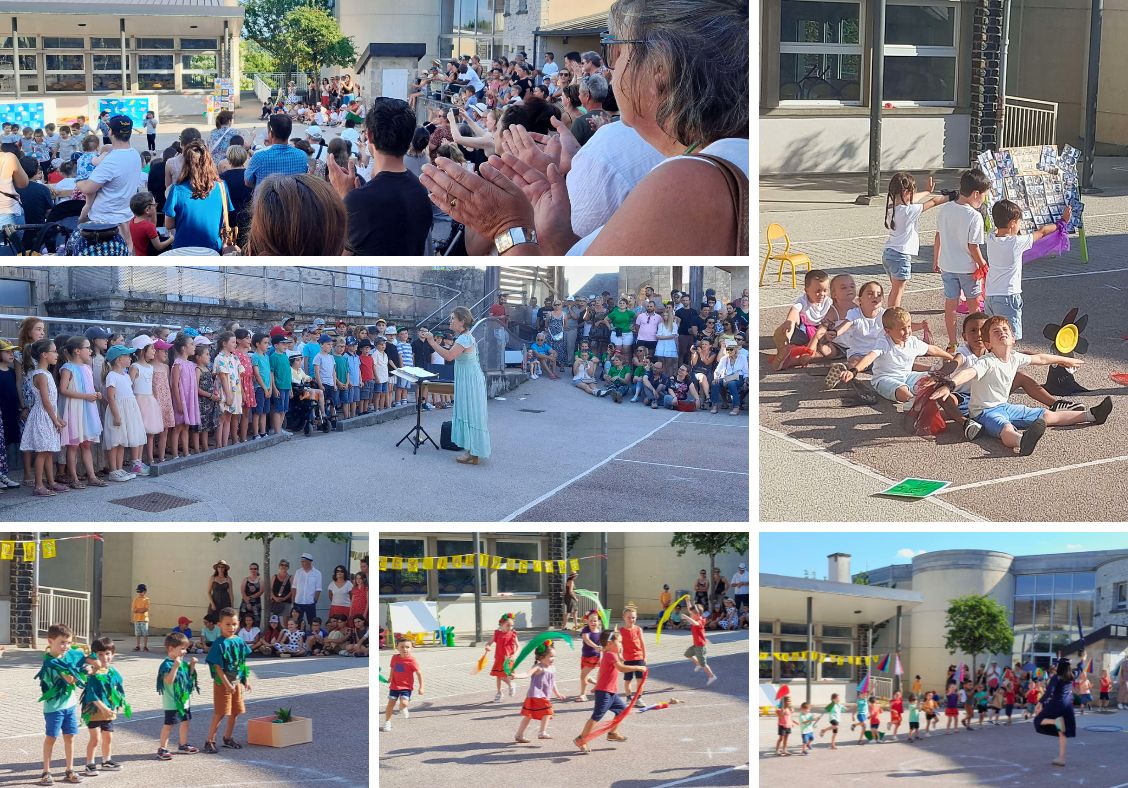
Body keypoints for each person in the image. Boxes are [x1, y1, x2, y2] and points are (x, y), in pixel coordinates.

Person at [420, 0, 747, 256]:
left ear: (660, 68)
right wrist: (560, 233)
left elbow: (554, 310)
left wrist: (508, 225)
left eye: (617, 50)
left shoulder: (687, 178)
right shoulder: (728, 152)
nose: (610, 67)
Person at [929, 316, 1112, 454]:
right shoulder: (986, 361)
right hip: (984, 412)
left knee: (1046, 415)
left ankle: (1092, 415)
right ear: (988, 344)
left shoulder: (1015, 357)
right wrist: (950, 384)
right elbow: (968, 373)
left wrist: (1064, 359)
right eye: (996, 331)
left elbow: (1040, 358)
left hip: (1005, 406)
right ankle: (1021, 441)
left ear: (1013, 338)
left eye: (1005, 330)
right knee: (1006, 428)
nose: (1002, 332)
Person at [328, 97, 432, 256]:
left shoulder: (359, 200)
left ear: (369, 136)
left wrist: (344, 199)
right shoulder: (421, 191)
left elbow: (340, 263)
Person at [985, 200, 1071, 340]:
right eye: (1019, 222)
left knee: (994, 336)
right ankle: (1008, 360)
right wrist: (1062, 222)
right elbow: (1042, 232)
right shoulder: (1016, 242)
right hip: (1008, 296)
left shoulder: (991, 238)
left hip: (990, 295)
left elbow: (996, 228)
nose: (1020, 226)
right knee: (1009, 336)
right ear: (1013, 223)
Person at [418, 307, 491, 464]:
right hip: (469, 379)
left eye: (453, 318)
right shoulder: (464, 337)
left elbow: (449, 356)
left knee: (470, 412)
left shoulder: (464, 338)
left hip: (470, 380)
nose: (450, 321)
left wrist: (431, 341)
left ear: (462, 321)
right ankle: (473, 450)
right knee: (470, 412)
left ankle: (473, 451)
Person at [935, 169, 991, 351]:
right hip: (967, 267)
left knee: (950, 304)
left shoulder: (946, 208)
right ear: (976, 194)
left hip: (947, 264)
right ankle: (977, 340)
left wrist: (936, 259)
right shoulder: (974, 216)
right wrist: (983, 264)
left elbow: (938, 236)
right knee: (974, 306)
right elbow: (972, 246)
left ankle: (952, 342)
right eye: (983, 195)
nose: (983, 199)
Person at [882, 173, 952, 308]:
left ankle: (890, 315)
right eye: (912, 191)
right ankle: (893, 319)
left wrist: (927, 191)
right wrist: (952, 196)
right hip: (901, 256)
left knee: (895, 289)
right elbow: (934, 201)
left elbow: (911, 199)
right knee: (898, 291)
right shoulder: (909, 211)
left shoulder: (892, 207)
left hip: (889, 254)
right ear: (906, 192)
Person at [36, 623, 93, 787]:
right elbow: (70, 679)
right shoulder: (50, 662)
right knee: (51, 738)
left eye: (68, 642)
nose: (66, 646)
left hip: (70, 705)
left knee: (70, 737)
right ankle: (46, 772)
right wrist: (83, 670)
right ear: (50, 641)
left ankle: (69, 769)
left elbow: (81, 660)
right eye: (62, 642)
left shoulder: (67, 656)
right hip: (54, 708)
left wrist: (86, 662)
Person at [572, 629, 645, 753]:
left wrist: (597, 684)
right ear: (610, 643)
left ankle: (612, 733)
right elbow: (621, 668)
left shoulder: (610, 654)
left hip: (610, 692)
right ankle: (581, 739)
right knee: (596, 717)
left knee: (622, 710)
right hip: (605, 693)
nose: (621, 644)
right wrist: (638, 667)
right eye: (620, 642)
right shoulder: (610, 655)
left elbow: (602, 671)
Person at [77, 116, 142, 253]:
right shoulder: (135, 155)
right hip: (125, 216)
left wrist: (78, 180)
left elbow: (88, 188)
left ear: (110, 132)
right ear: (129, 132)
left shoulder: (111, 161)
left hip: (104, 223)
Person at [164, 140, 232, 253]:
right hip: (212, 248)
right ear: (209, 161)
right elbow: (225, 220)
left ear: (186, 163)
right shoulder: (221, 187)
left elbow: (169, 224)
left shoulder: (176, 190)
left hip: (183, 249)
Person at [203, 607, 253, 754]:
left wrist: (245, 680)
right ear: (220, 625)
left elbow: (242, 662)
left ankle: (228, 737)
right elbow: (217, 668)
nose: (231, 627)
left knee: (235, 711)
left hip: (236, 683)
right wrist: (227, 684)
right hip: (223, 684)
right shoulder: (219, 644)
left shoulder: (238, 641)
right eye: (228, 624)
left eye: (234, 624)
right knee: (221, 712)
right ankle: (209, 740)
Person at [79, 637, 127, 776]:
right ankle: (90, 763)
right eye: (100, 654)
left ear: (113, 654)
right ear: (94, 656)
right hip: (94, 711)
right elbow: (91, 695)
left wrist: (117, 703)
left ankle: (107, 761)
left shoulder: (112, 672)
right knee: (95, 738)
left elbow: (116, 689)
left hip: (107, 711)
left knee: (108, 737)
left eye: (107, 653)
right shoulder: (93, 674)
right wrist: (104, 709)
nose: (105, 657)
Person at [156, 632, 200, 760]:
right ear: (171, 649)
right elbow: (168, 681)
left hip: (184, 701)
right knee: (168, 725)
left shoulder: (182, 663)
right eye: (182, 648)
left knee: (185, 722)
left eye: (185, 648)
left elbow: (188, 679)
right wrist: (175, 666)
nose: (185, 651)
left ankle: (183, 744)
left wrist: (192, 666)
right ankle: (162, 749)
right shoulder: (166, 664)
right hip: (171, 702)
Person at [513, 641, 566, 743]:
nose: (553, 659)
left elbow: (552, 682)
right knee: (548, 711)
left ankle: (519, 735)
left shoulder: (552, 668)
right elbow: (527, 674)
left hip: (543, 696)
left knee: (529, 715)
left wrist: (557, 693)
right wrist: (516, 676)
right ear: (541, 657)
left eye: (554, 656)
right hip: (536, 695)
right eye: (550, 656)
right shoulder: (538, 667)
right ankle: (542, 732)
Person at [244, 114, 308, 190]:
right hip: (293, 200)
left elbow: (248, 182)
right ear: (289, 132)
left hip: (265, 200)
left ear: (271, 134)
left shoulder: (259, 156)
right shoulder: (302, 155)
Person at [381, 637, 422, 732]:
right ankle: (387, 722)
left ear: (411, 648)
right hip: (394, 686)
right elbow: (393, 668)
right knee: (390, 704)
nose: (405, 649)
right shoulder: (394, 658)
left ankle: (403, 707)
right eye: (402, 647)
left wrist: (421, 687)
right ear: (397, 648)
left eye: (407, 647)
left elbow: (419, 673)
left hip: (406, 687)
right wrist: (390, 677)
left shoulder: (412, 660)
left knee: (403, 703)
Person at [481, 612, 520, 702]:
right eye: (508, 625)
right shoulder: (497, 633)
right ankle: (499, 693)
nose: (510, 627)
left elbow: (518, 647)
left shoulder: (513, 634)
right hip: (499, 659)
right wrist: (487, 646)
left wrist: (515, 655)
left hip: (508, 659)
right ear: (502, 624)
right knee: (498, 676)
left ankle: (511, 685)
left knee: (505, 676)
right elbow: (489, 642)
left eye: (512, 626)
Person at [681, 603, 717, 684]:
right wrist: (687, 601)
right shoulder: (697, 617)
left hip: (700, 646)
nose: (690, 615)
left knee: (703, 664)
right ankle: (698, 664)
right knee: (687, 654)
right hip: (696, 645)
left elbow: (695, 623)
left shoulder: (700, 621)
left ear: (697, 615)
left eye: (692, 615)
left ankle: (712, 676)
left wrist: (686, 617)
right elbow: (691, 609)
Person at [619, 604, 647, 698]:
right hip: (627, 659)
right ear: (624, 618)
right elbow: (618, 646)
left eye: (633, 617)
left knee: (640, 680)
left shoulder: (638, 629)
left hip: (639, 657)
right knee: (628, 680)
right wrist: (620, 657)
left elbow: (642, 644)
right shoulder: (620, 631)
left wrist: (644, 657)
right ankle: (628, 697)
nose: (631, 619)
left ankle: (639, 698)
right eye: (629, 617)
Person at [576, 609, 602, 702]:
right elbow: (587, 640)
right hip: (585, 656)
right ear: (587, 621)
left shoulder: (599, 631)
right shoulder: (585, 630)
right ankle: (598, 684)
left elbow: (602, 643)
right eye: (590, 620)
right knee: (585, 675)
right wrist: (596, 646)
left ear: (598, 621)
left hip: (594, 657)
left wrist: (601, 647)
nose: (593, 622)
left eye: (595, 620)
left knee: (583, 676)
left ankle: (583, 695)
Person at [292, 553, 323, 629]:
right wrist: (293, 600)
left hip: (310, 602)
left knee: (312, 621)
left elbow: (318, 589)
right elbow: (294, 587)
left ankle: (312, 636)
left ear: (310, 561)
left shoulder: (317, 573)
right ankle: (298, 637)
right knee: (297, 621)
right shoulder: (298, 572)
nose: (302, 563)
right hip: (298, 602)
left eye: (304, 561)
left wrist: (314, 601)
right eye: (301, 561)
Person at [240, 562, 264, 626]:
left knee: (256, 620)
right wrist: (248, 603)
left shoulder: (260, 580)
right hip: (245, 602)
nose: (253, 570)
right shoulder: (246, 579)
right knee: (243, 620)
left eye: (255, 569)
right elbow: (242, 591)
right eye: (251, 568)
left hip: (256, 603)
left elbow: (261, 591)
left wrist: (250, 598)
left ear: (258, 570)